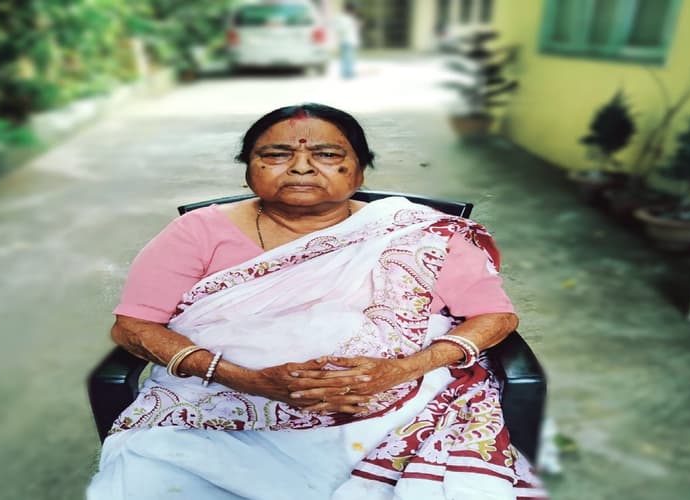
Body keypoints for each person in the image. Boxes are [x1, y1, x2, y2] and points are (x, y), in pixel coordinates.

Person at [88, 103, 545, 499]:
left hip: (397, 404)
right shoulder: (197, 232)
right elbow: (133, 327)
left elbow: (494, 316)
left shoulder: (417, 232)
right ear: (248, 167)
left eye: (327, 155)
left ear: (360, 170)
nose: (302, 168)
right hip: (217, 398)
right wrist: (246, 379)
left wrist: (400, 370)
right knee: (152, 472)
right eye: (276, 155)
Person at [335, 3, 361, 79]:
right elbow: (341, 29)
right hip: (347, 40)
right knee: (348, 57)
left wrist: (356, 25)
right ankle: (348, 73)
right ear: (349, 10)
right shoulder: (342, 18)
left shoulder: (349, 18)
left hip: (349, 40)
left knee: (349, 57)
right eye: (353, 11)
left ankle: (347, 72)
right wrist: (353, 24)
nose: (354, 13)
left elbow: (353, 29)